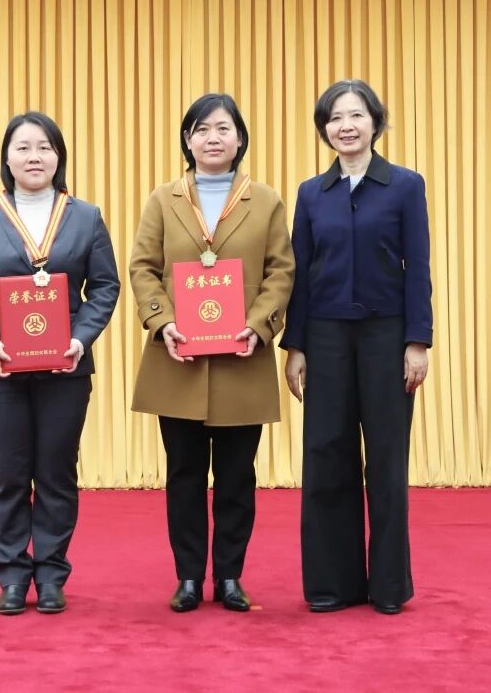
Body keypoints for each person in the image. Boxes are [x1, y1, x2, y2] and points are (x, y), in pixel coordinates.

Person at [0, 111, 120, 616]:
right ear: (7, 158)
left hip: (65, 368)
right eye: (23, 148)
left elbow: (104, 287)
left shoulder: (85, 217)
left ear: (59, 156)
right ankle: (11, 576)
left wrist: (81, 338)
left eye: (44, 147)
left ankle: (50, 575)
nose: (34, 157)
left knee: (57, 472)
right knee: (8, 474)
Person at [130, 93, 295, 613]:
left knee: (237, 477)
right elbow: (142, 267)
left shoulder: (265, 201)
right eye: (201, 130)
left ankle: (229, 577)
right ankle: (186, 577)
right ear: (187, 140)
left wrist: (258, 326)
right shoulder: (163, 199)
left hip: (242, 359)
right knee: (182, 474)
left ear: (240, 138)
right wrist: (163, 321)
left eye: (223, 128)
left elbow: (281, 271)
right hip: (177, 358)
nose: (212, 138)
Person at [280, 79, 434, 615]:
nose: (346, 126)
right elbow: (299, 274)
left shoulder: (405, 186)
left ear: (375, 122)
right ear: (324, 129)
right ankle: (331, 585)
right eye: (335, 118)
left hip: (386, 337)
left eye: (356, 115)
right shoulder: (310, 194)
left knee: (386, 460)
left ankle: (388, 586)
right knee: (326, 455)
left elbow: (418, 267)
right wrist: (295, 346)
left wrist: (418, 341)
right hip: (325, 338)